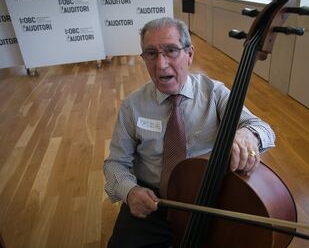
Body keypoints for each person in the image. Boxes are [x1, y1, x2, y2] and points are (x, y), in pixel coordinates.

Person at [103, 17, 275, 247]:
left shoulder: (214, 93)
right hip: (152, 200)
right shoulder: (131, 106)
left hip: (208, 200)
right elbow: (115, 163)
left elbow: (264, 129)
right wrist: (130, 192)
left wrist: (248, 135)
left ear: (190, 54)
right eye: (151, 54)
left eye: (171, 50)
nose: (161, 64)